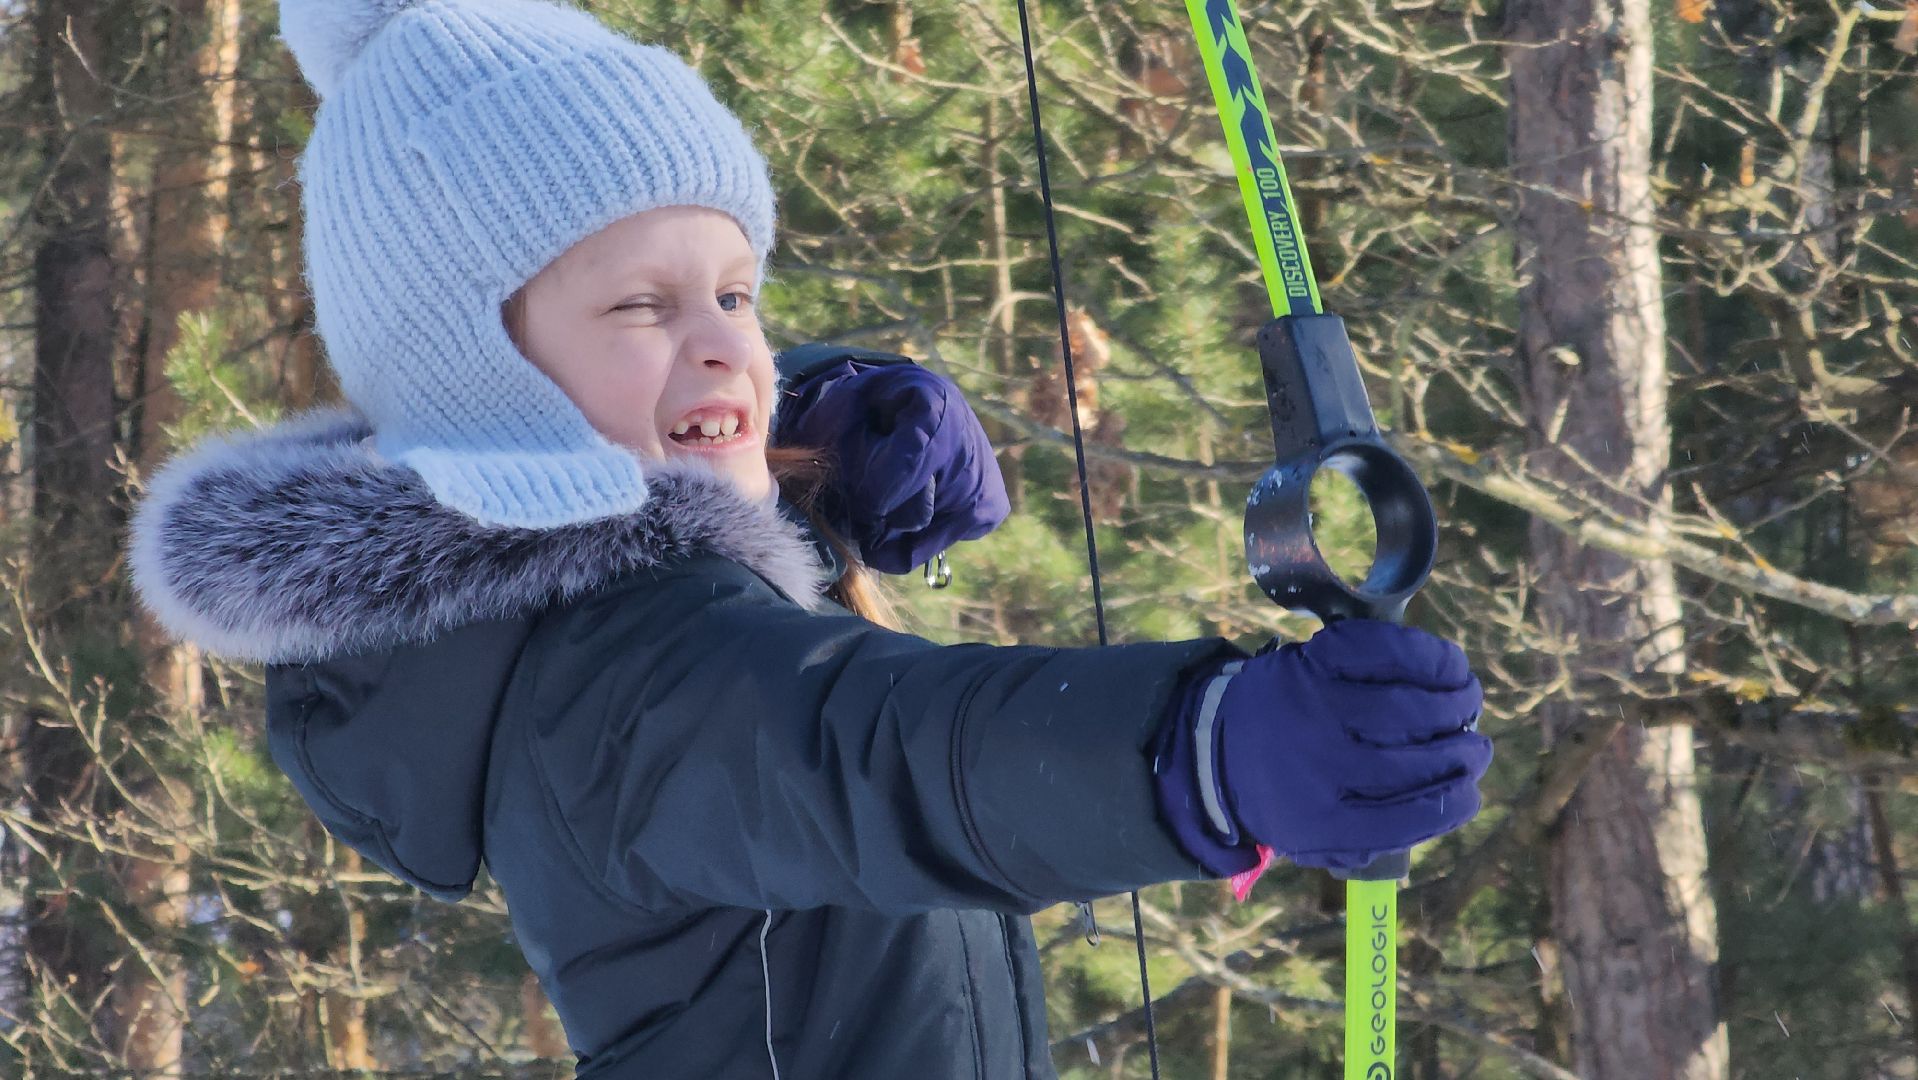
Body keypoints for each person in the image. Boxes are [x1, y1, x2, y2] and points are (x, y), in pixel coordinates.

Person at [128, 1, 1493, 1077]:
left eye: (737, 292)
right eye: (644, 308)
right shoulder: (619, 696)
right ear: (488, 382)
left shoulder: (576, 613)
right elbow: (868, 757)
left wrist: (804, 448)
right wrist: (1199, 752)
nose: (725, 338)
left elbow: (651, 499)